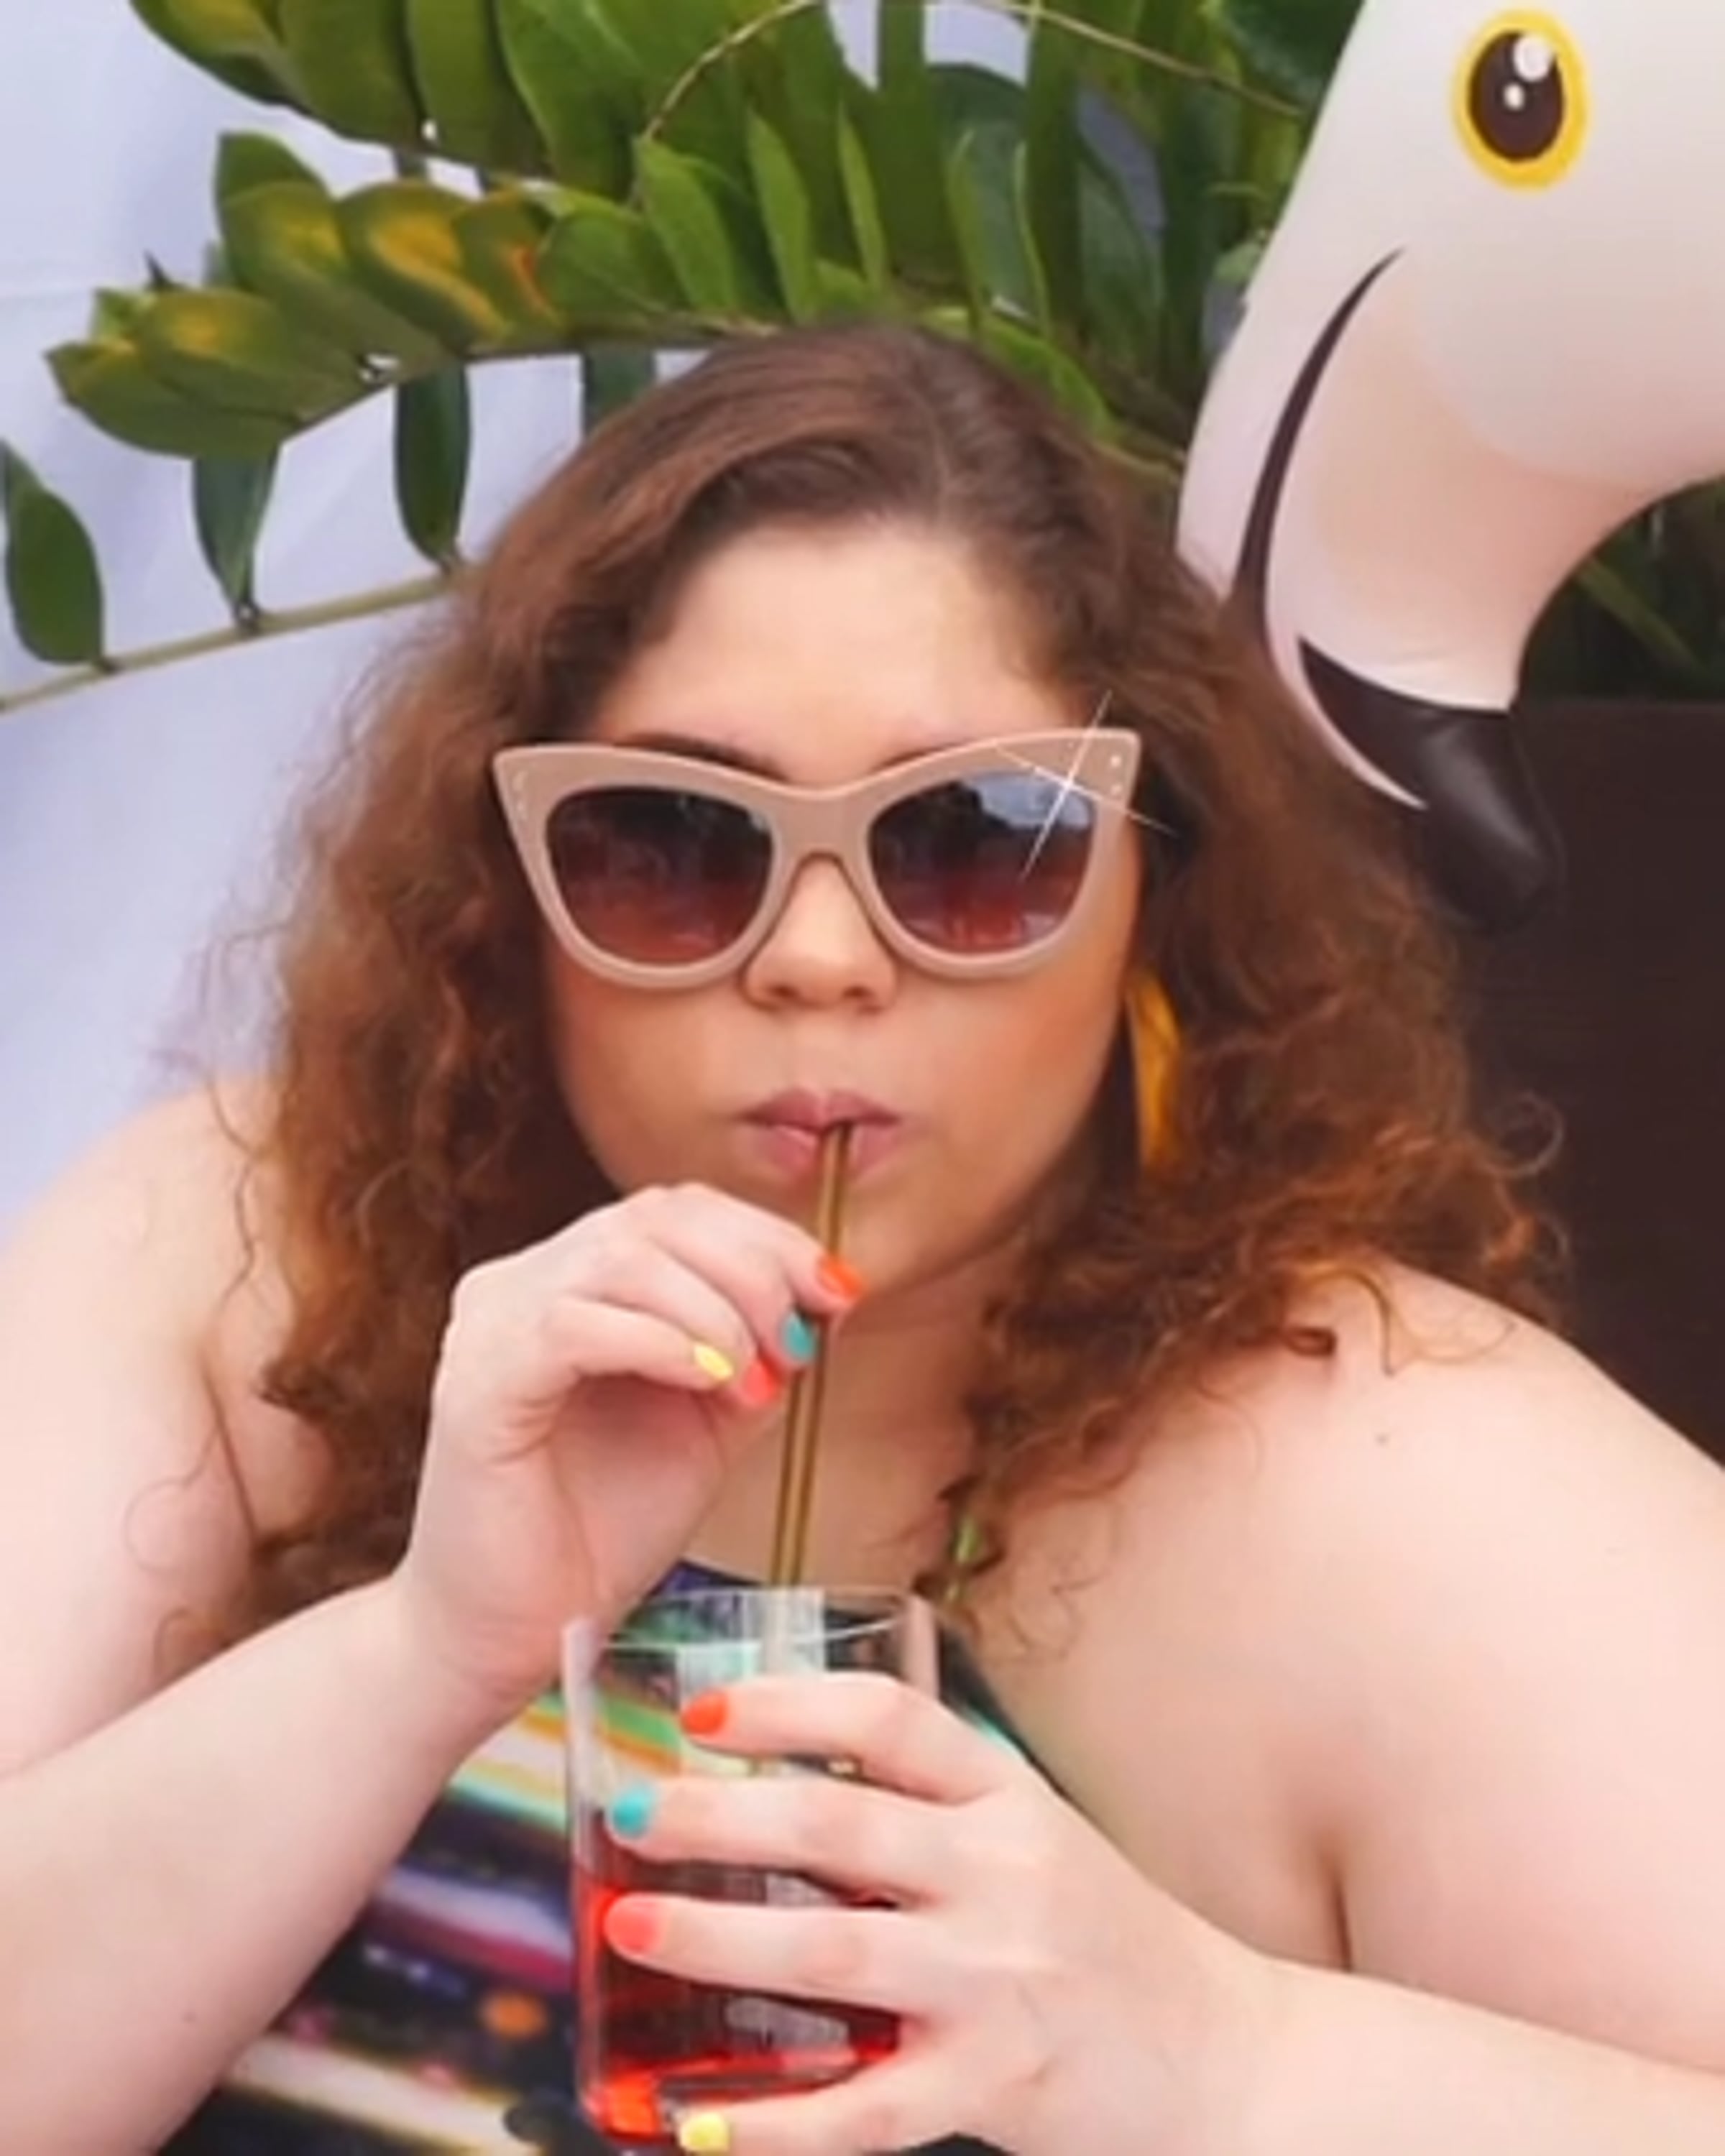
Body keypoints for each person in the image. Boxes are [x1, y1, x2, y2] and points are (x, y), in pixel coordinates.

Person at [8, 321, 1725, 2156]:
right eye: (671, 840)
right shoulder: (240, 1260)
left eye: (973, 840)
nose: (819, 957)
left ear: (1154, 885)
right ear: (506, 893)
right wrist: (427, 1650)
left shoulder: (1388, 1474)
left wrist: (1240, 2062)